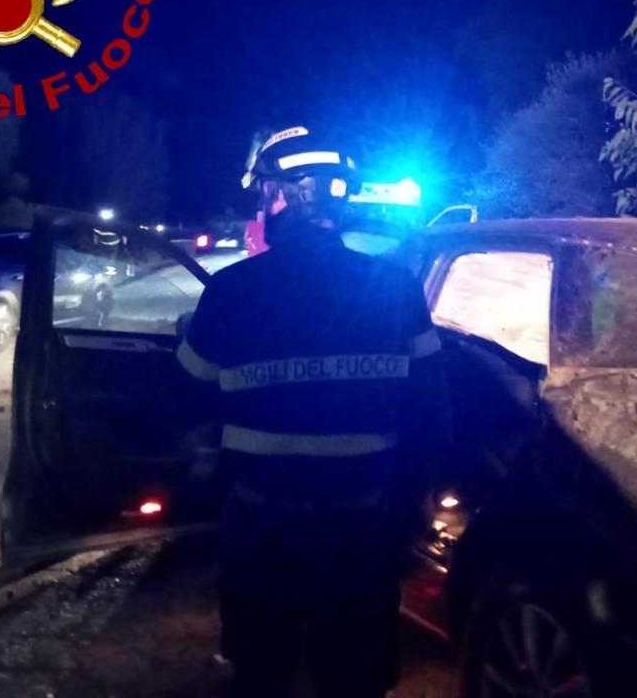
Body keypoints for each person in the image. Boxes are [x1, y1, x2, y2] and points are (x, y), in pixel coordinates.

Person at [178, 126, 451, 697]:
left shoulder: (231, 291)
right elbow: (431, 404)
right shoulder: (396, 287)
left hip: (262, 525)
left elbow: (189, 394)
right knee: (353, 674)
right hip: (361, 526)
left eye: (264, 194)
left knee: (262, 672)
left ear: (280, 197)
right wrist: (416, 500)